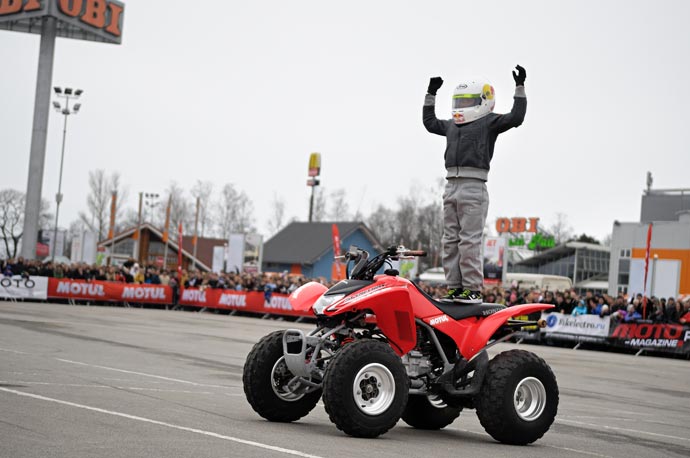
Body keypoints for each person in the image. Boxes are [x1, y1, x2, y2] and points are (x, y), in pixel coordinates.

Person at [424, 65, 527, 303]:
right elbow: (429, 123)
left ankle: (472, 289)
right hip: (451, 185)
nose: (461, 108)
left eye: (467, 101)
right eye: (458, 102)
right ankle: (454, 287)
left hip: (474, 186)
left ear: (484, 101)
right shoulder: (451, 125)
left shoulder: (489, 122)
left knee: (469, 241)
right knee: (449, 241)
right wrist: (431, 94)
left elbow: (516, 117)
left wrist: (519, 88)